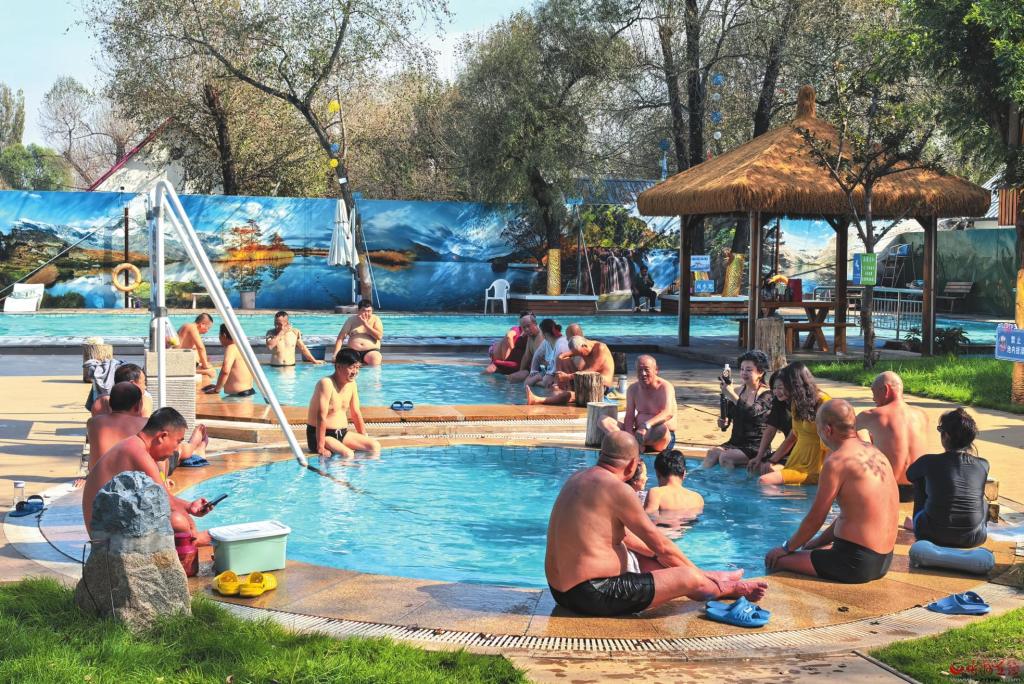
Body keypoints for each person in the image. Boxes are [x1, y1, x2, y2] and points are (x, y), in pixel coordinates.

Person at [545, 432, 768, 617]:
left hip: (561, 592)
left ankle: (709, 578)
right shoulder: (617, 489)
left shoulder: (577, 478)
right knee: (687, 577)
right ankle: (723, 587)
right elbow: (661, 546)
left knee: (648, 558)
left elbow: (629, 539)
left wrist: (657, 558)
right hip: (593, 594)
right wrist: (696, 573)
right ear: (632, 464)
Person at [765, 399, 898, 583]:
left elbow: (816, 518)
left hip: (854, 564)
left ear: (827, 430)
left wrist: (786, 548)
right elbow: (854, 513)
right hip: (883, 561)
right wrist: (816, 542)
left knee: (775, 560)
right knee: (813, 548)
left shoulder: (837, 461)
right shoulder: (874, 452)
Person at [82, 407, 213, 545]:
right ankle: (191, 544)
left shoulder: (134, 445)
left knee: (175, 518)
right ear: (162, 437)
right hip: (106, 537)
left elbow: (165, 497)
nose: (176, 449)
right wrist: (193, 531)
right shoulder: (138, 454)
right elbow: (168, 502)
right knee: (178, 522)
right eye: (178, 442)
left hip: (105, 528)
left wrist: (190, 506)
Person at [905, 408, 989, 548]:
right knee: (981, 498)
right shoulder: (983, 465)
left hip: (930, 536)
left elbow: (910, 475)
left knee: (920, 481)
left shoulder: (928, 462)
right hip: (974, 538)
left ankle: (919, 522)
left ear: (946, 436)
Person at [855, 371, 930, 502]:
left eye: (874, 392)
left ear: (886, 390)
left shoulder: (870, 415)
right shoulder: (922, 415)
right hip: (919, 489)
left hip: (887, 488)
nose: (873, 399)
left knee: (857, 436)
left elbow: (839, 435)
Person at [757, 363, 831, 486]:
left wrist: (828, 475)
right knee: (761, 472)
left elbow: (831, 443)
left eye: (784, 385)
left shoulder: (824, 402)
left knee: (764, 481)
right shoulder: (796, 402)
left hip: (815, 465)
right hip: (796, 461)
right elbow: (793, 435)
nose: (781, 390)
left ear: (795, 383)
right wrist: (772, 460)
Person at [702, 350, 772, 469]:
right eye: (742, 369)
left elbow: (751, 413)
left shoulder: (767, 394)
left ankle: (731, 481)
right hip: (735, 443)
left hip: (756, 446)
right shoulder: (737, 391)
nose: (744, 372)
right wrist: (723, 422)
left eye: (749, 370)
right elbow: (727, 418)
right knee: (712, 453)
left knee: (726, 457)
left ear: (760, 372)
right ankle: (699, 478)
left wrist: (731, 394)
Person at [306, 348, 381, 458]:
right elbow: (321, 416)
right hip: (321, 436)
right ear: (338, 367)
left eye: (357, 367)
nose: (355, 372)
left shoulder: (352, 384)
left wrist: (364, 436)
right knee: (348, 454)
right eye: (351, 367)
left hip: (342, 434)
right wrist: (320, 447)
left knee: (374, 446)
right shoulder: (326, 383)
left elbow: (356, 413)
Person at [600, 354, 677, 452]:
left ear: (656, 370)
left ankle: (630, 444)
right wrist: (630, 433)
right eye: (640, 370)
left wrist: (646, 425)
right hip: (637, 433)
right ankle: (632, 443)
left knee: (661, 429)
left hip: (659, 437)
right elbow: (629, 416)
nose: (643, 373)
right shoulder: (633, 389)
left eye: (646, 370)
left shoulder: (665, 387)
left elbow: (668, 413)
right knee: (603, 420)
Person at [526, 335, 615, 406]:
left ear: (584, 345)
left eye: (581, 353)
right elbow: (564, 355)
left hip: (602, 386)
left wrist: (568, 376)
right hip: (586, 382)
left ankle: (538, 400)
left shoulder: (600, 348)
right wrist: (560, 362)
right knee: (556, 387)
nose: (582, 356)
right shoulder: (583, 347)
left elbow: (592, 370)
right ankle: (560, 390)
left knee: (568, 395)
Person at [746, 371, 794, 475]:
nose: (776, 392)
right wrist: (759, 456)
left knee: (770, 471)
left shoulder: (800, 405)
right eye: (774, 388)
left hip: (801, 451)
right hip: (788, 450)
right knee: (756, 467)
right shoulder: (778, 402)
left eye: (780, 388)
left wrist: (772, 460)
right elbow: (770, 430)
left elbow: (792, 438)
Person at [645, 449, 704, 515]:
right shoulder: (698, 499)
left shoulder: (656, 494)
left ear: (657, 473)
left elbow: (645, 519)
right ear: (684, 473)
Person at [203, 325, 255, 397]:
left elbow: (225, 371)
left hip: (239, 397)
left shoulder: (231, 347)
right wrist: (217, 385)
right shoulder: (243, 347)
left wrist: (216, 390)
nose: (219, 338)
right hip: (248, 392)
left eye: (219, 335)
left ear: (224, 335)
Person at [333, 299, 383, 366]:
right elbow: (340, 338)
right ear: (358, 311)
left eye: (369, 311)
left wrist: (366, 325)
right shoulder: (351, 320)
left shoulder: (376, 319)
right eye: (364, 311)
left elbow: (379, 336)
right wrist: (336, 353)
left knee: (375, 358)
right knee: (344, 362)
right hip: (353, 352)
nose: (366, 313)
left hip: (371, 350)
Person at [523, 319, 570, 387]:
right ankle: (540, 379)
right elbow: (537, 355)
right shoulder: (546, 342)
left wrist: (544, 378)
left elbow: (557, 368)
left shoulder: (561, 344)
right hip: (551, 372)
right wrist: (533, 371)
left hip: (561, 373)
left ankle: (540, 380)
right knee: (527, 382)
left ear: (545, 334)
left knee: (534, 383)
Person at [177, 313, 216, 379]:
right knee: (211, 372)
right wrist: (205, 365)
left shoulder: (186, 326)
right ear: (202, 324)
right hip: (180, 363)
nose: (207, 331)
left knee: (210, 370)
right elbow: (201, 348)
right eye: (208, 328)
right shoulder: (192, 327)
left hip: (181, 361)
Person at [507, 313, 543, 382]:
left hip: (544, 370)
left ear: (535, 324)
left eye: (528, 326)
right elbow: (526, 357)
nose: (526, 329)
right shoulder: (530, 336)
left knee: (514, 378)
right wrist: (521, 371)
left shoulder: (541, 336)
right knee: (511, 377)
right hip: (536, 370)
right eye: (524, 327)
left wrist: (529, 374)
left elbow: (538, 358)